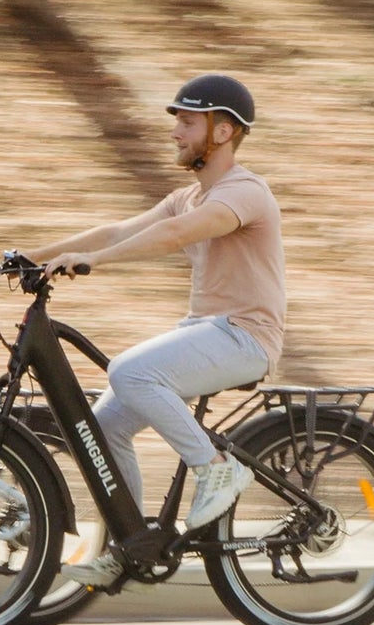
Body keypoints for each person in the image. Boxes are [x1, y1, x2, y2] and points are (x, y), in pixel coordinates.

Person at [29, 74, 285, 587]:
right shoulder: (187, 196)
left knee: (130, 372)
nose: (175, 133)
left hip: (245, 336)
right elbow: (118, 230)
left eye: (188, 123)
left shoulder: (244, 192)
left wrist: (94, 261)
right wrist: (33, 256)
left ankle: (215, 467)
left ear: (223, 131)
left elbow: (174, 235)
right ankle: (131, 546)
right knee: (102, 430)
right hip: (205, 331)